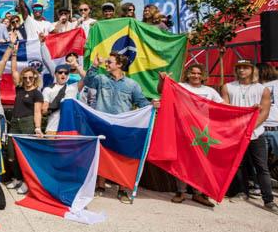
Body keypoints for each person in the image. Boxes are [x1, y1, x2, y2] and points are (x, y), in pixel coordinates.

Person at [84, 52, 150, 203]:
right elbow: (88, 81)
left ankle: (122, 190)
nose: (106, 64)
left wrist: (152, 107)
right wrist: (94, 65)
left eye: (109, 62)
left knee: (122, 157)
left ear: (119, 65)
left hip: (122, 125)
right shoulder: (101, 79)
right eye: (106, 62)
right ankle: (100, 187)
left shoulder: (132, 85)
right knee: (103, 154)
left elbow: (142, 103)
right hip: (103, 123)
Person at [154, 65, 218, 207]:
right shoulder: (180, 86)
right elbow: (162, 91)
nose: (195, 76)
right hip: (183, 129)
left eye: (198, 73)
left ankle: (198, 193)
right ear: (188, 74)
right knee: (182, 161)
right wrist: (162, 81)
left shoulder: (210, 91)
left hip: (203, 132)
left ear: (203, 76)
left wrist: (250, 110)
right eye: (193, 73)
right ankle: (180, 191)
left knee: (200, 163)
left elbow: (223, 106)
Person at [221, 60, 276, 213]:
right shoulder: (228, 87)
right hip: (236, 133)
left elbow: (264, 113)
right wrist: (237, 127)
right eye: (239, 68)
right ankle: (241, 192)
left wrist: (250, 127)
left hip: (256, 133)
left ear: (252, 70)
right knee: (238, 164)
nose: (242, 70)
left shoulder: (262, 89)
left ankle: (268, 200)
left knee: (261, 167)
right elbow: (225, 108)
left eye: (245, 67)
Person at [5, 53, 45, 195]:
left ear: (35, 78)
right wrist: (14, 54)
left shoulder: (37, 93)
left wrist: (38, 128)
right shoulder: (20, 89)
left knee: (25, 155)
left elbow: (37, 112)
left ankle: (27, 182)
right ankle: (16, 179)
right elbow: (14, 71)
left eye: (30, 77)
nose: (28, 80)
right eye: (26, 77)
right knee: (11, 155)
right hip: (15, 123)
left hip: (28, 124)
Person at [42, 64, 79, 134]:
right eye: (60, 72)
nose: (63, 74)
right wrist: (47, 108)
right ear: (55, 74)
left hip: (69, 129)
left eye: (66, 73)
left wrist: (77, 66)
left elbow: (86, 78)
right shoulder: (48, 89)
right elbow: (44, 111)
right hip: (53, 129)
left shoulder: (73, 88)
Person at [257, 63, 278, 178]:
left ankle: (257, 186)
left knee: (259, 161)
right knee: (259, 161)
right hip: (268, 127)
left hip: (261, 127)